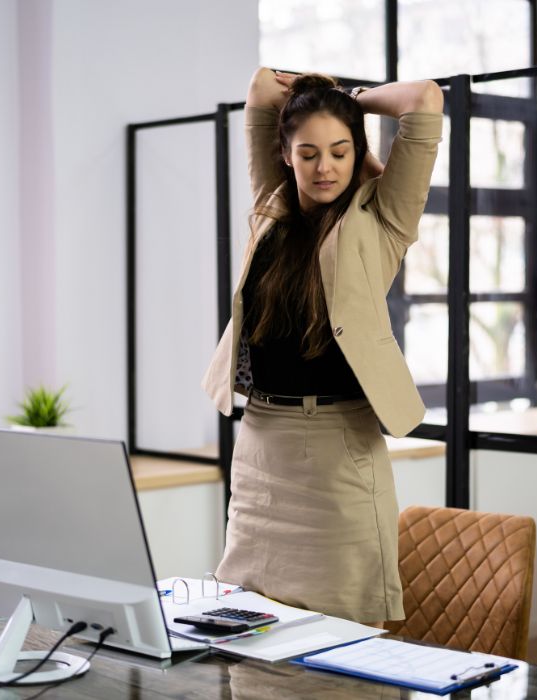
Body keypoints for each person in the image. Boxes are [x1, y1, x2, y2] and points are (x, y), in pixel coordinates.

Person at [202, 67, 443, 623]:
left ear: (358, 150)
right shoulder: (272, 205)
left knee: (342, 636)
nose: (325, 167)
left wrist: (347, 100)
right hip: (261, 447)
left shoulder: (384, 216)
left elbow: (424, 99)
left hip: (340, 454)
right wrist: (316, 93)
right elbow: (261, 85)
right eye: (308, 152)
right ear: (285, 154)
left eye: (340, 151)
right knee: (249, 635)